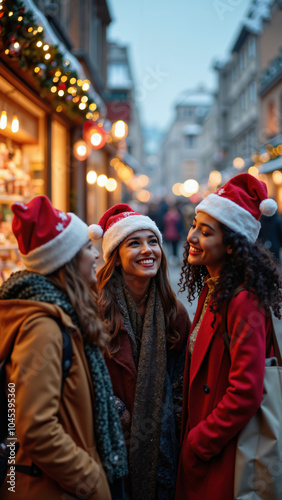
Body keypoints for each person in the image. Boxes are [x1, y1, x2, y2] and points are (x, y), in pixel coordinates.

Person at [0, 196, 127, 500]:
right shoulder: (43, 326)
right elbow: (34, 427)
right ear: (66, 262)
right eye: (86, 248)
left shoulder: (63, 313)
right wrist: (91, 480)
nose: (95, 254)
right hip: (48, 488)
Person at [175, 173, 282, 500]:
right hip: (210, 447)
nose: (192, 236)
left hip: (226, 453)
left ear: (233, 243)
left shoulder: (242, 299)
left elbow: (246, 392)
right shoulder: (214, 288)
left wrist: (199, 442)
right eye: (195, 225)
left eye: (206, 232)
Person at [88, 204, 191, 500]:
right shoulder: (94, 309)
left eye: (153, 241)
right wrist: (114, 409)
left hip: (163, 444)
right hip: (107, 442)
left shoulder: (174, 311)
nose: (148, 250)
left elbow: (181, 376)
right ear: (116, 258)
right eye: (134, 243)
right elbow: (80, 375)